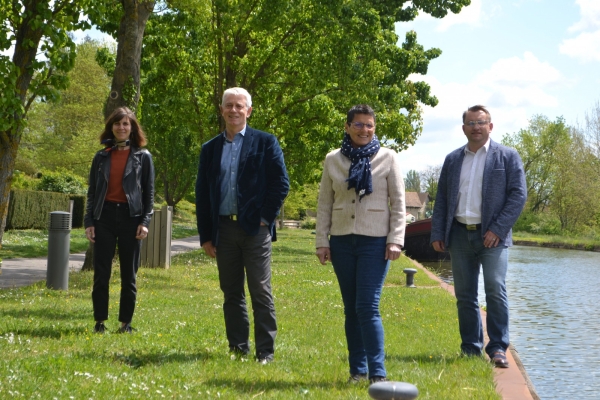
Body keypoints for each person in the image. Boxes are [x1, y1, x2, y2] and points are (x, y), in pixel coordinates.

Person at [195, 87, 289, 364]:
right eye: (229, 106)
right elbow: (202, 193)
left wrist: (265, 217)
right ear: (222, 110)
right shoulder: (210, 149)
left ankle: (265, 352)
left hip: (255, 230)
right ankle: (238, 348)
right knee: (231, 291)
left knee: (260, 290)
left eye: (239, 106)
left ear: (248, 111)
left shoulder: (266, 142)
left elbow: (280, 183)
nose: (233, 110)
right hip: (223, 230)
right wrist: (205, 236)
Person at [430, 105, 526, 368]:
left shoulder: (507, 156)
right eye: (471, 123)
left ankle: (497, 347)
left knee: (495, 289)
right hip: (460, 234)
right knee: (465, 295)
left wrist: (497, 229)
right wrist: (438, 232)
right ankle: (470, 348)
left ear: (490, 126)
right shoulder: (452, 159)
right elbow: (442, 200)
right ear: (463, 129)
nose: (476, 127)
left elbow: (518, 196)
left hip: (493, 237)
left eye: (481, 122)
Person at [315, 104, 405, 384]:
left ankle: (377, 374)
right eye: (358, 124)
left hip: (376, 242)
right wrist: (321, 240)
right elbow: (324, 204)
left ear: (374, 128)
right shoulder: (332, 159)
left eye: (369, 125)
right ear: (347, 127)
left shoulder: (388, 157)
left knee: (367, 306)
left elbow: (399, 203)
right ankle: (357, 370)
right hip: (341, 241)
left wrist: (396, 240)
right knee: (351, 308)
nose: (364, 130)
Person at [84, 107, 155, 334]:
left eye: (126, 124)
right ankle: (99, 322)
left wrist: (145, 221)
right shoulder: (101, 156)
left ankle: (125, 323)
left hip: (131, 218)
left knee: (129, 274)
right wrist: (89, 222)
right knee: (101, 273)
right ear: (111, 127)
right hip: (103, 217)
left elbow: (149, 195)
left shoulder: (143, 157)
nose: (121, 128)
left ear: (132, 128)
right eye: (117, 124)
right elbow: (92, 192)